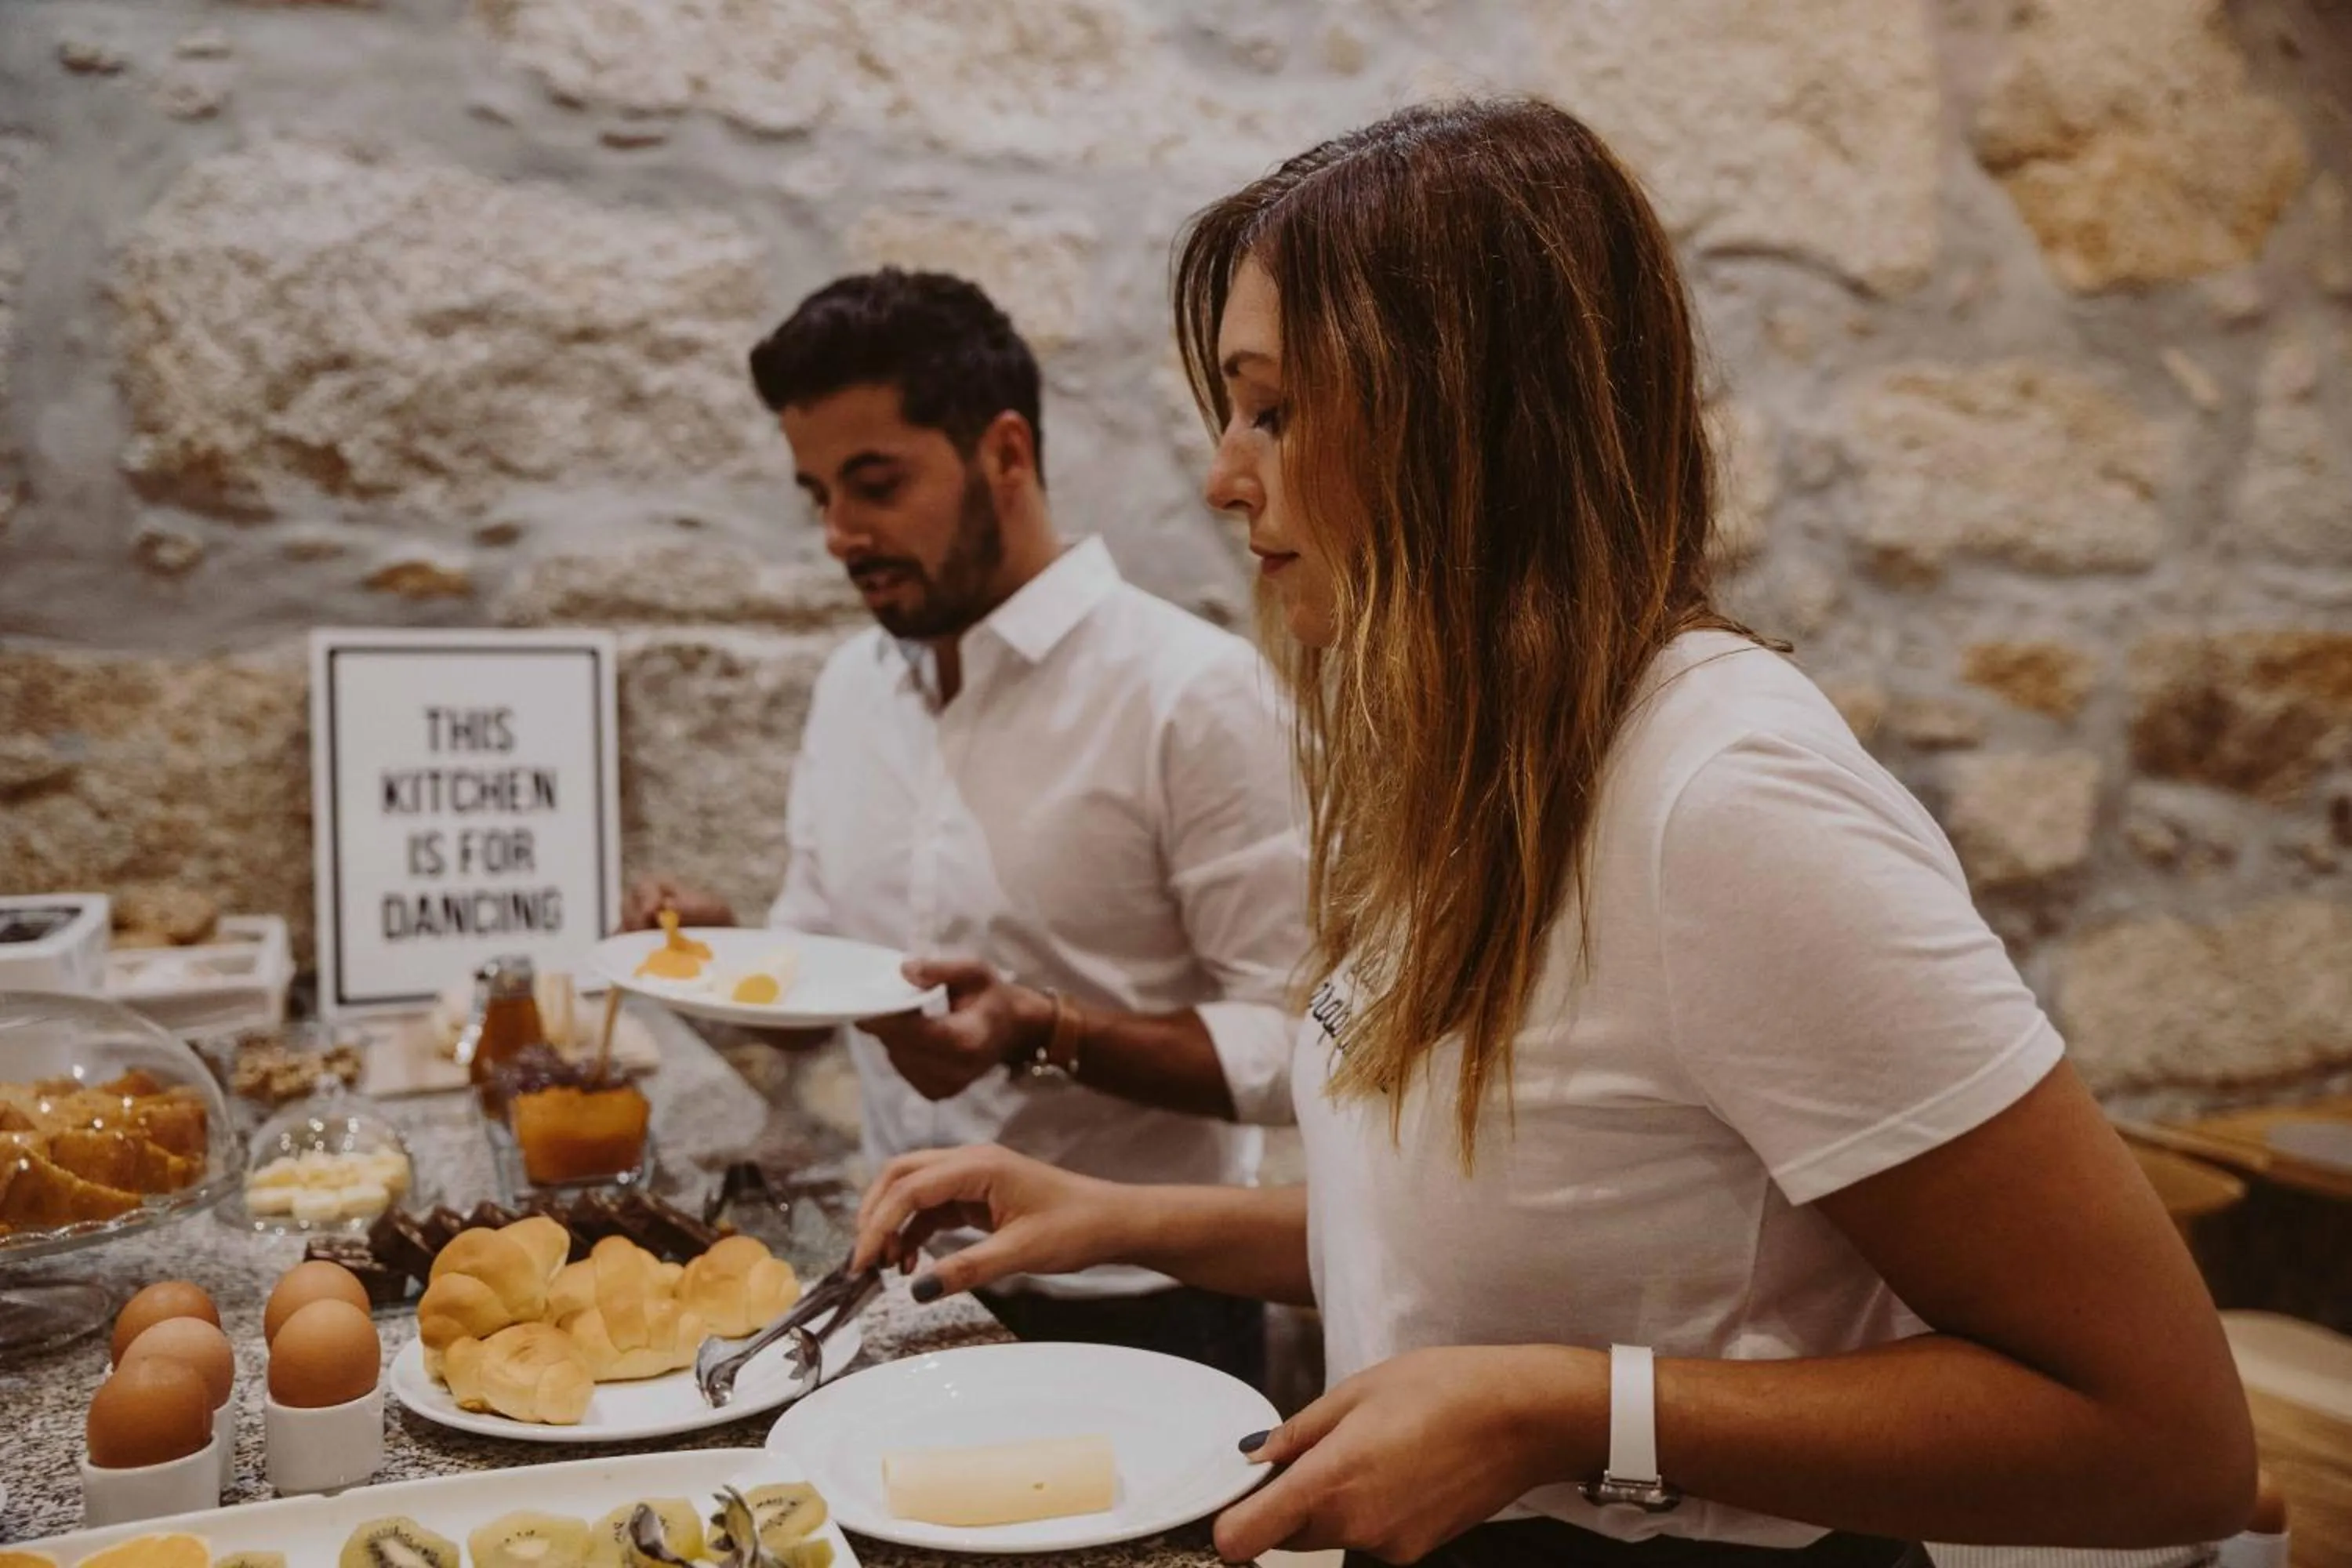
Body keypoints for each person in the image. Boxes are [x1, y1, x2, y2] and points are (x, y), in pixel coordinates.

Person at [848, 100, 2258, 1567]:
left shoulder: (1728, 801)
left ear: (1462, 414)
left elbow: (2168, 1439)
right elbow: (1494, 1249)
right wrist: (1119, 1219)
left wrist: (1574, 1418)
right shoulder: (1472, 763)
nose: (1223, 474)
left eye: (1273, 409)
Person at [625, 269, 1306, 1387]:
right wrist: (716, 946)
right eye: (817, 497)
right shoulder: (849, 687)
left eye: (875, 483)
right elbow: (816, 991)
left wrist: (1043, 1028)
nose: (841, 534)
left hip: (1142, 1309)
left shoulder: (1194, 692)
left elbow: (1296, 1051)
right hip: (894, 1289)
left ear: (1004, 452)